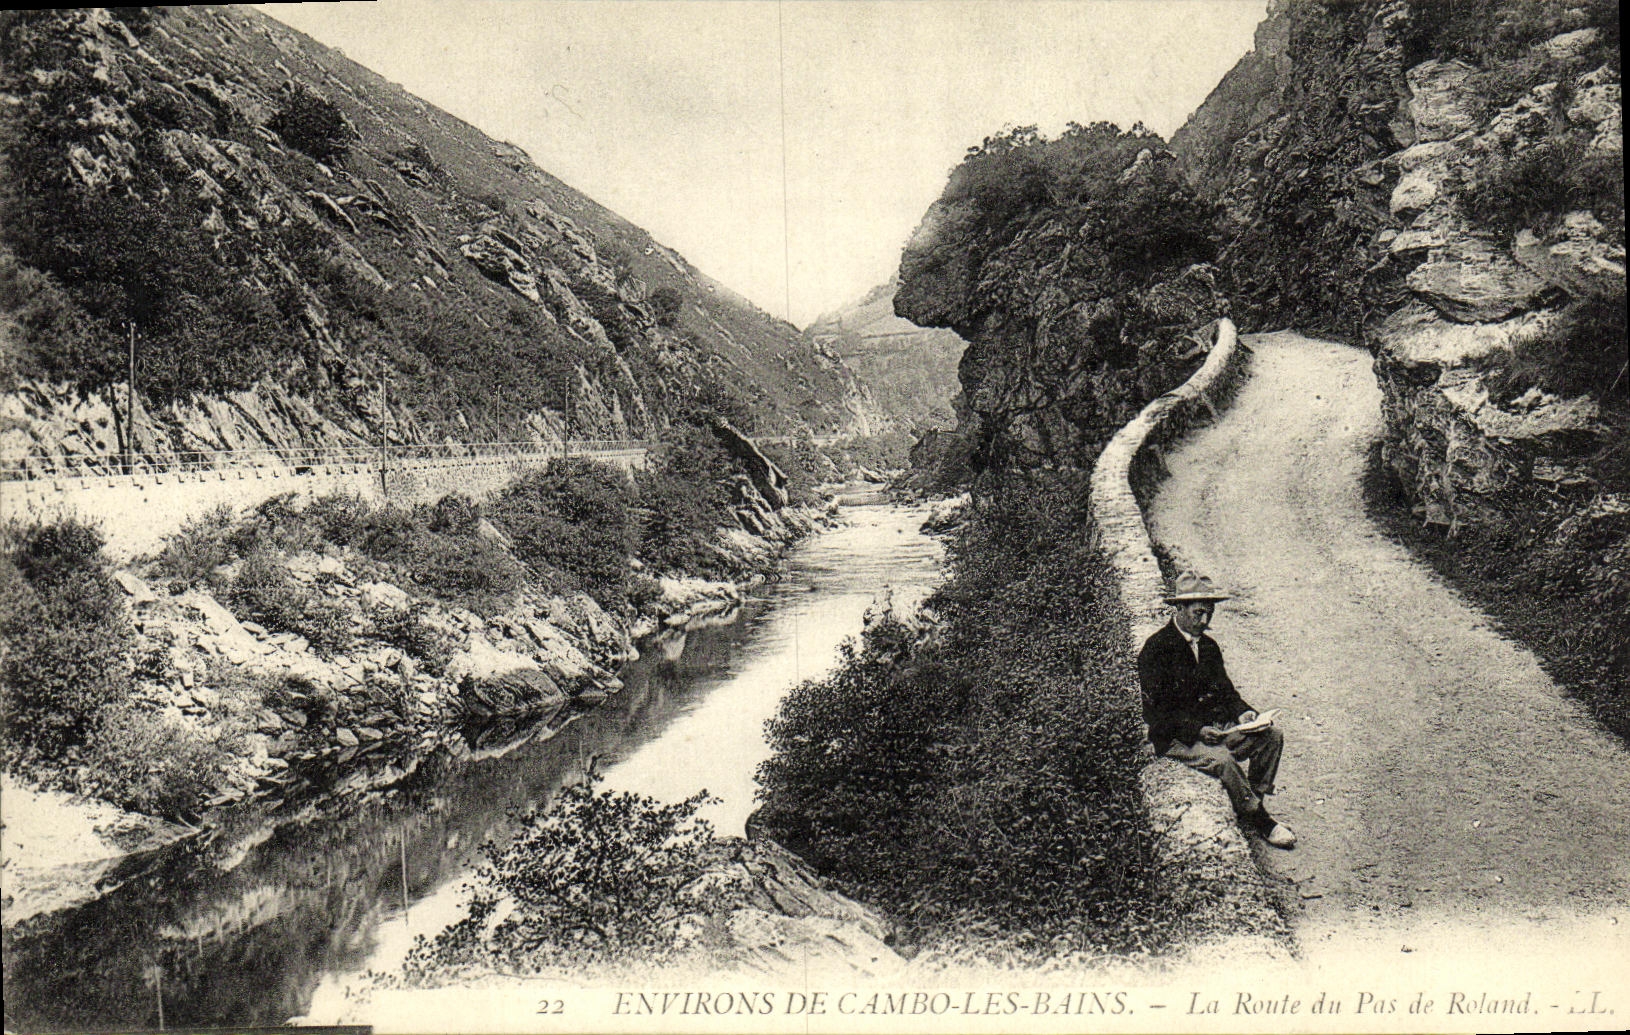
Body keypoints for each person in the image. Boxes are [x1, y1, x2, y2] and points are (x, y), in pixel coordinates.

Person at [1138, 571, 1296, 848]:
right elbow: (1156, 714)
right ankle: (1260, 820)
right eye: (1198, 613)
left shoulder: (1209, 647)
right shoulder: (1156, 649)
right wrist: (1197, 730)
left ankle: (1251, 799)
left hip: (1213, 729)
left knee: (1272, 736)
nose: (1204, 621)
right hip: (1176, 737)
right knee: (1223, 760)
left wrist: (1243, 714)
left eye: (1209, 613)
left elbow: (1226, 690)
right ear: (1179, 608)